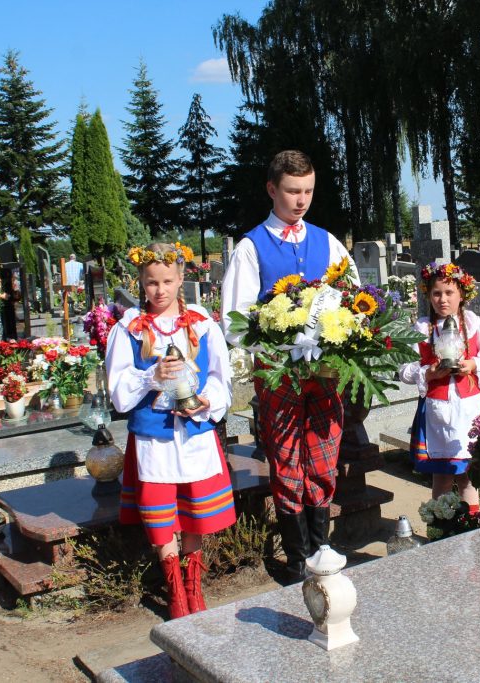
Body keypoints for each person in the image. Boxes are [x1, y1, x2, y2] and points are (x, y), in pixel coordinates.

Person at [221, 150, 358, 584]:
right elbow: (234, 321)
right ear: (272, 189)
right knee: (286, 459)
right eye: (293, 191)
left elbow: (354, 296)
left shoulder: (327, 242)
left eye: (308, 191)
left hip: (324, 373)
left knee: (323, 456)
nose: (301, 201)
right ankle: (297, 559)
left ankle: (321, 547)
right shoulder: (251, 247)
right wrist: (279, 343)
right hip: (279, 374)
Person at [105, 241, 236, 619]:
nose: (159, 290)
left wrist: (208, 400)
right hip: (155, 439)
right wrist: (151, 376)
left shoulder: (201, 323)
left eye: (166, 281)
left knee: (195, 512)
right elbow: (118, 394)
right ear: (141, 282)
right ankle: (174, 587)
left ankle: (194, 585)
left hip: (194, 435)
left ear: (181, 279)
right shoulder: (129, 328)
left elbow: (220, 377)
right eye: (151, 283)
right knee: (161, 516)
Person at [399, 262, 480, 513]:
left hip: (468, 409)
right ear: (428, 296)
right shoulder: (422, 329)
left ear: (462, 295)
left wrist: (473, 364)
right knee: (442, 475)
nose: (442, 299)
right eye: (436, 293)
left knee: (467, 474)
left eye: (449, 293)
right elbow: (404, 370)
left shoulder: (474, 325)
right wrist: (429, 372)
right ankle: (442, 525)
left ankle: (472, 523)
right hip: (438, 411)